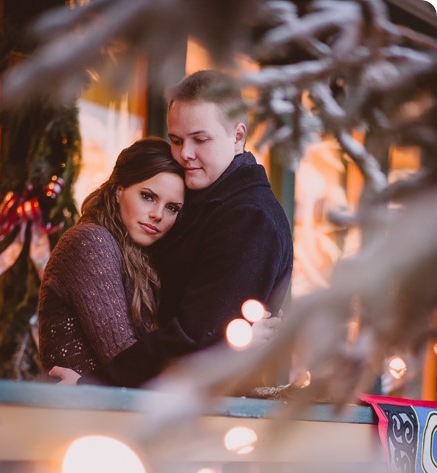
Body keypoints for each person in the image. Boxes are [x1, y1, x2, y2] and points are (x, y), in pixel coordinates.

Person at [51, 69, 293, 388]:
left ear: (238, 136)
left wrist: (95, 384)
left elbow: (196, 337)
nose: (184, 154)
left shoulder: (247, 216)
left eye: (200, 139)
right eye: (176, 140)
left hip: (193, 416)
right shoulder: (203, 201)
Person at [39, 137, 185, 375]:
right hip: (77, 409)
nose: (158, 214)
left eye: (172, 208)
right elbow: (125, 358)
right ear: (119, 192)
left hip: (112, 409)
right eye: (148, 196)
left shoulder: (141, 257)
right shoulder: (90, 241)